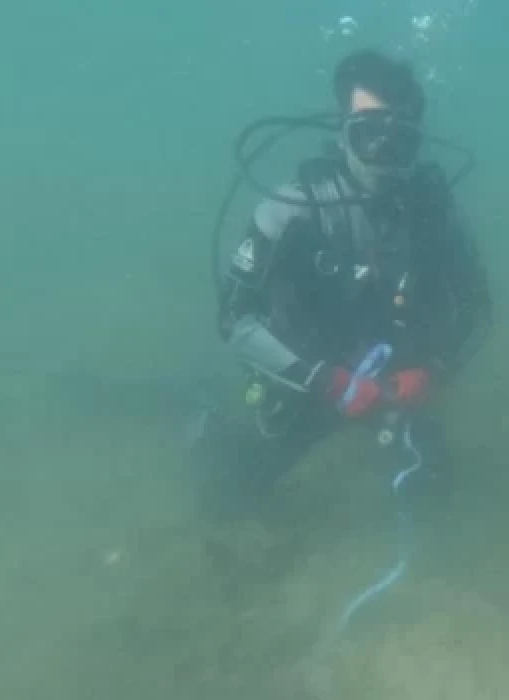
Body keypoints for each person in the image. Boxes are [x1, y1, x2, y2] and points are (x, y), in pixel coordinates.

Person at [192, 48, 492, 518]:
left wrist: (435, 370)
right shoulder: (291, 211)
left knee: (436, 491)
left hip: (395, 381)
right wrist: (326, 382)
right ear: (342, 129)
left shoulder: (434, 213)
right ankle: (194, 410)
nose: (382, 151)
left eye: (398, 137)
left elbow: (478, 308)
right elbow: (233, 318)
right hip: (307, 378)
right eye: (368, 132)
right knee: (232, 495)